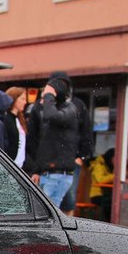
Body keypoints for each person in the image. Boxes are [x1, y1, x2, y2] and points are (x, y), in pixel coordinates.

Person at [25, 76, 82, 208]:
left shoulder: (70, 109)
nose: (44, 95)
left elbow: (51, 116)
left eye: (48, 91)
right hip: (46, 172)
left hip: (58, 174)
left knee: (49, 213)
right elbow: (41, 144)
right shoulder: (46, 109)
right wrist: (36, 170)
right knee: (42, 212)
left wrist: (49, 96)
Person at [48, 73, 93, 217]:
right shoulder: (48, 105)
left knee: (69, 198)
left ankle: (67, 228)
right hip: (50, 159)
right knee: (49, 199)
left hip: (71, 159)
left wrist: (82, 156)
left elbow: (86, 131)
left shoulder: (78, 105)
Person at [3, 86, 28, 169]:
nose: (25, 102)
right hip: (10, 166)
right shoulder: (6, 119)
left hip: (19, 166)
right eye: (22, 99)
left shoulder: (19, 119)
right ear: (14, 99)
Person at [87, 147, 115, 222]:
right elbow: (100, 180)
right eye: (115, 158)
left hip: (107, 194)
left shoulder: (109, 166)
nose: (116, 161)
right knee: (109, 203)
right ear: (110, 157)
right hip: (96, 195)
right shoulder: (98, 164)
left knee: (112, 202)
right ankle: (108, 222)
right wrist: (114, 176)